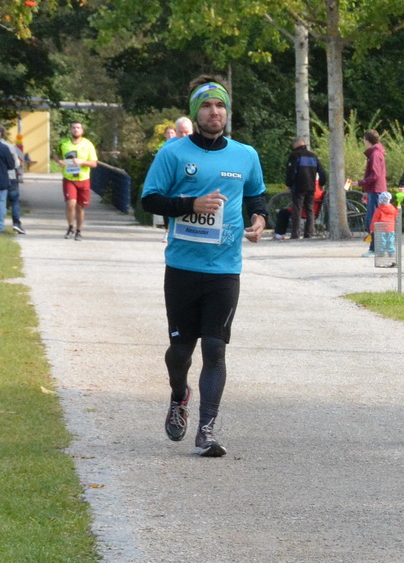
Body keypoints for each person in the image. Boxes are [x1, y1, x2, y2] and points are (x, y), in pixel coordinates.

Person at [138, 78, 268, 458]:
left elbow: (256, 194)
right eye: (208, 106)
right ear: (196, 113)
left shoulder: (245, 155)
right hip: (183, 267)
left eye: (221, 106)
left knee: (215, 348)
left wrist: (260, 218)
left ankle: (206, 429)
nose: (215, 112)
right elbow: (149, 200)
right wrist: (190, 205)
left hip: (225, 269)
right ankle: (179, 395)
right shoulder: (173, 153)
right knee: (181, 350)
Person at [61, 120, 99, 239]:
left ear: (82, 130)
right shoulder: (64, 143)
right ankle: (70, 227)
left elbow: (94, 163)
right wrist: (59, 161)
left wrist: (82, 162)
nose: (75, 129)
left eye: (78, 128)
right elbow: (55, 154)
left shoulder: (88, 144)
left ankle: (79, 230)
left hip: (83, 178)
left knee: (80, 206)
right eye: (73, 127)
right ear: (70, 130)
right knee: (70, 204)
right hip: (69, 178)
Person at [285, 136, 326, 240]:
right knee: (310, 209)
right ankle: (308, 233)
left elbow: (291, 172)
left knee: (297, 209)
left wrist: (289, 184)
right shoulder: (313, 156)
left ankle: (295, 234)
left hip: (298, 187)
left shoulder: (295, 155)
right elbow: (322, 171)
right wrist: (321, 183)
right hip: (311, 187)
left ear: (296, 144)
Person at [359, 128, 388, 253]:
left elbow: (375, 174)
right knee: (375, 219)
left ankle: (375, 248)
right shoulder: (377, 152)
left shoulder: (375, 154)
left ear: (367, 140)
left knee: (374, 219)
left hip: (376, 190)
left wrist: (360, 183)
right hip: (376, 189)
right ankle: (376, 247)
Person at [6, 129, 31, 234]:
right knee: (14, 200)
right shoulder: (10, 147)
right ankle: (16, 223)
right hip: (11, 176)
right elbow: (16, 164)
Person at [369, 191, 399, 261]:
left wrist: (372, 229)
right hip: (391, 228)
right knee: (390, 240)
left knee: (381, 241)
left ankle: (381, 253)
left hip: (381, 229)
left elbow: (374, 221)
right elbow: (396, 216)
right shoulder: (393, 208)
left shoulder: (378, 210)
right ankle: (391, 252)